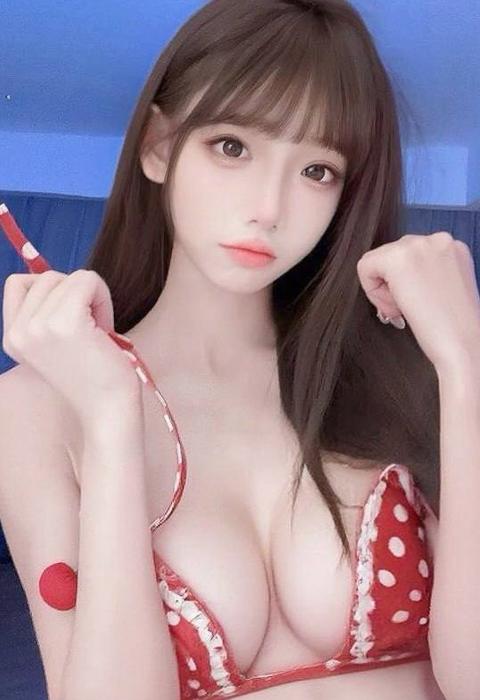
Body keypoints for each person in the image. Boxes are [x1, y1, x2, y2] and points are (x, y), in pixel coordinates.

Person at [1, 1, 453, 699]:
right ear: (159, 146)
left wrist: (465, 362)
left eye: (317, 170)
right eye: (233, 147)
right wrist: (113, 420)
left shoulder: (403, 370)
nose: (269, 208)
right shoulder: (34, 407)